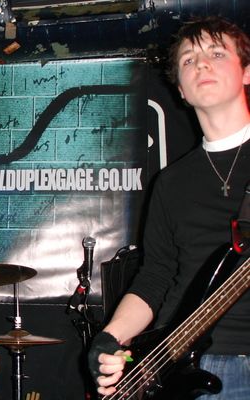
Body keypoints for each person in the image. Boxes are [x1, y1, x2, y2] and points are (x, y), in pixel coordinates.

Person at [88, 16, 250, 399]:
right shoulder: (171, 183)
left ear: (247, 72)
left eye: (216, 53)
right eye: (188, 59)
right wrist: (110, 336)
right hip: (176, 364)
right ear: (180, 89)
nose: (202, 64)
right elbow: (156, 276)